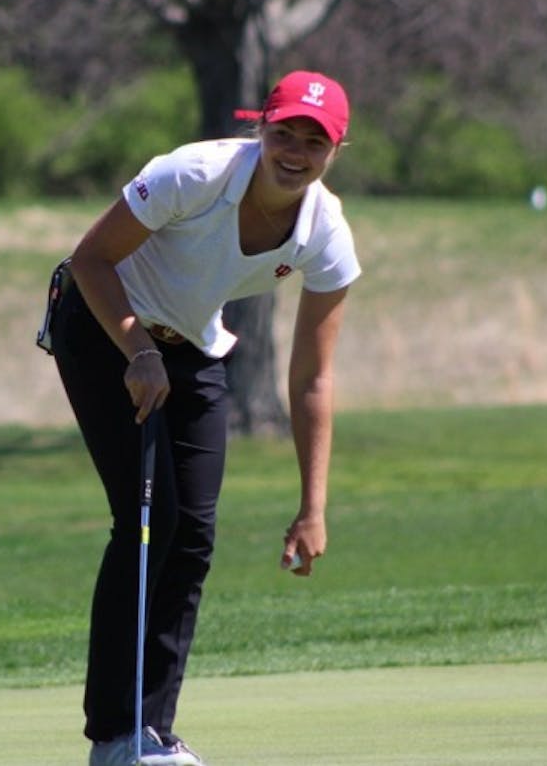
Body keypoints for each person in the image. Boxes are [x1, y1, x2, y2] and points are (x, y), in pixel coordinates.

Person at [38, 70, 361, 766]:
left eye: (314, 140)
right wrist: (136, 348)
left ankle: (152, 732)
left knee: (195, 536)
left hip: (189, 345)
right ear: (262, 129)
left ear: (336, 149)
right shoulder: (195, 173)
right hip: (99, 325)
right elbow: (91, 259)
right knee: (150, 522)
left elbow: (311, 379)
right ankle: (115, 737)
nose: (295, 151)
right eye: (284, 133)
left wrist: (313, 506)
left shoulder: (326, 230)